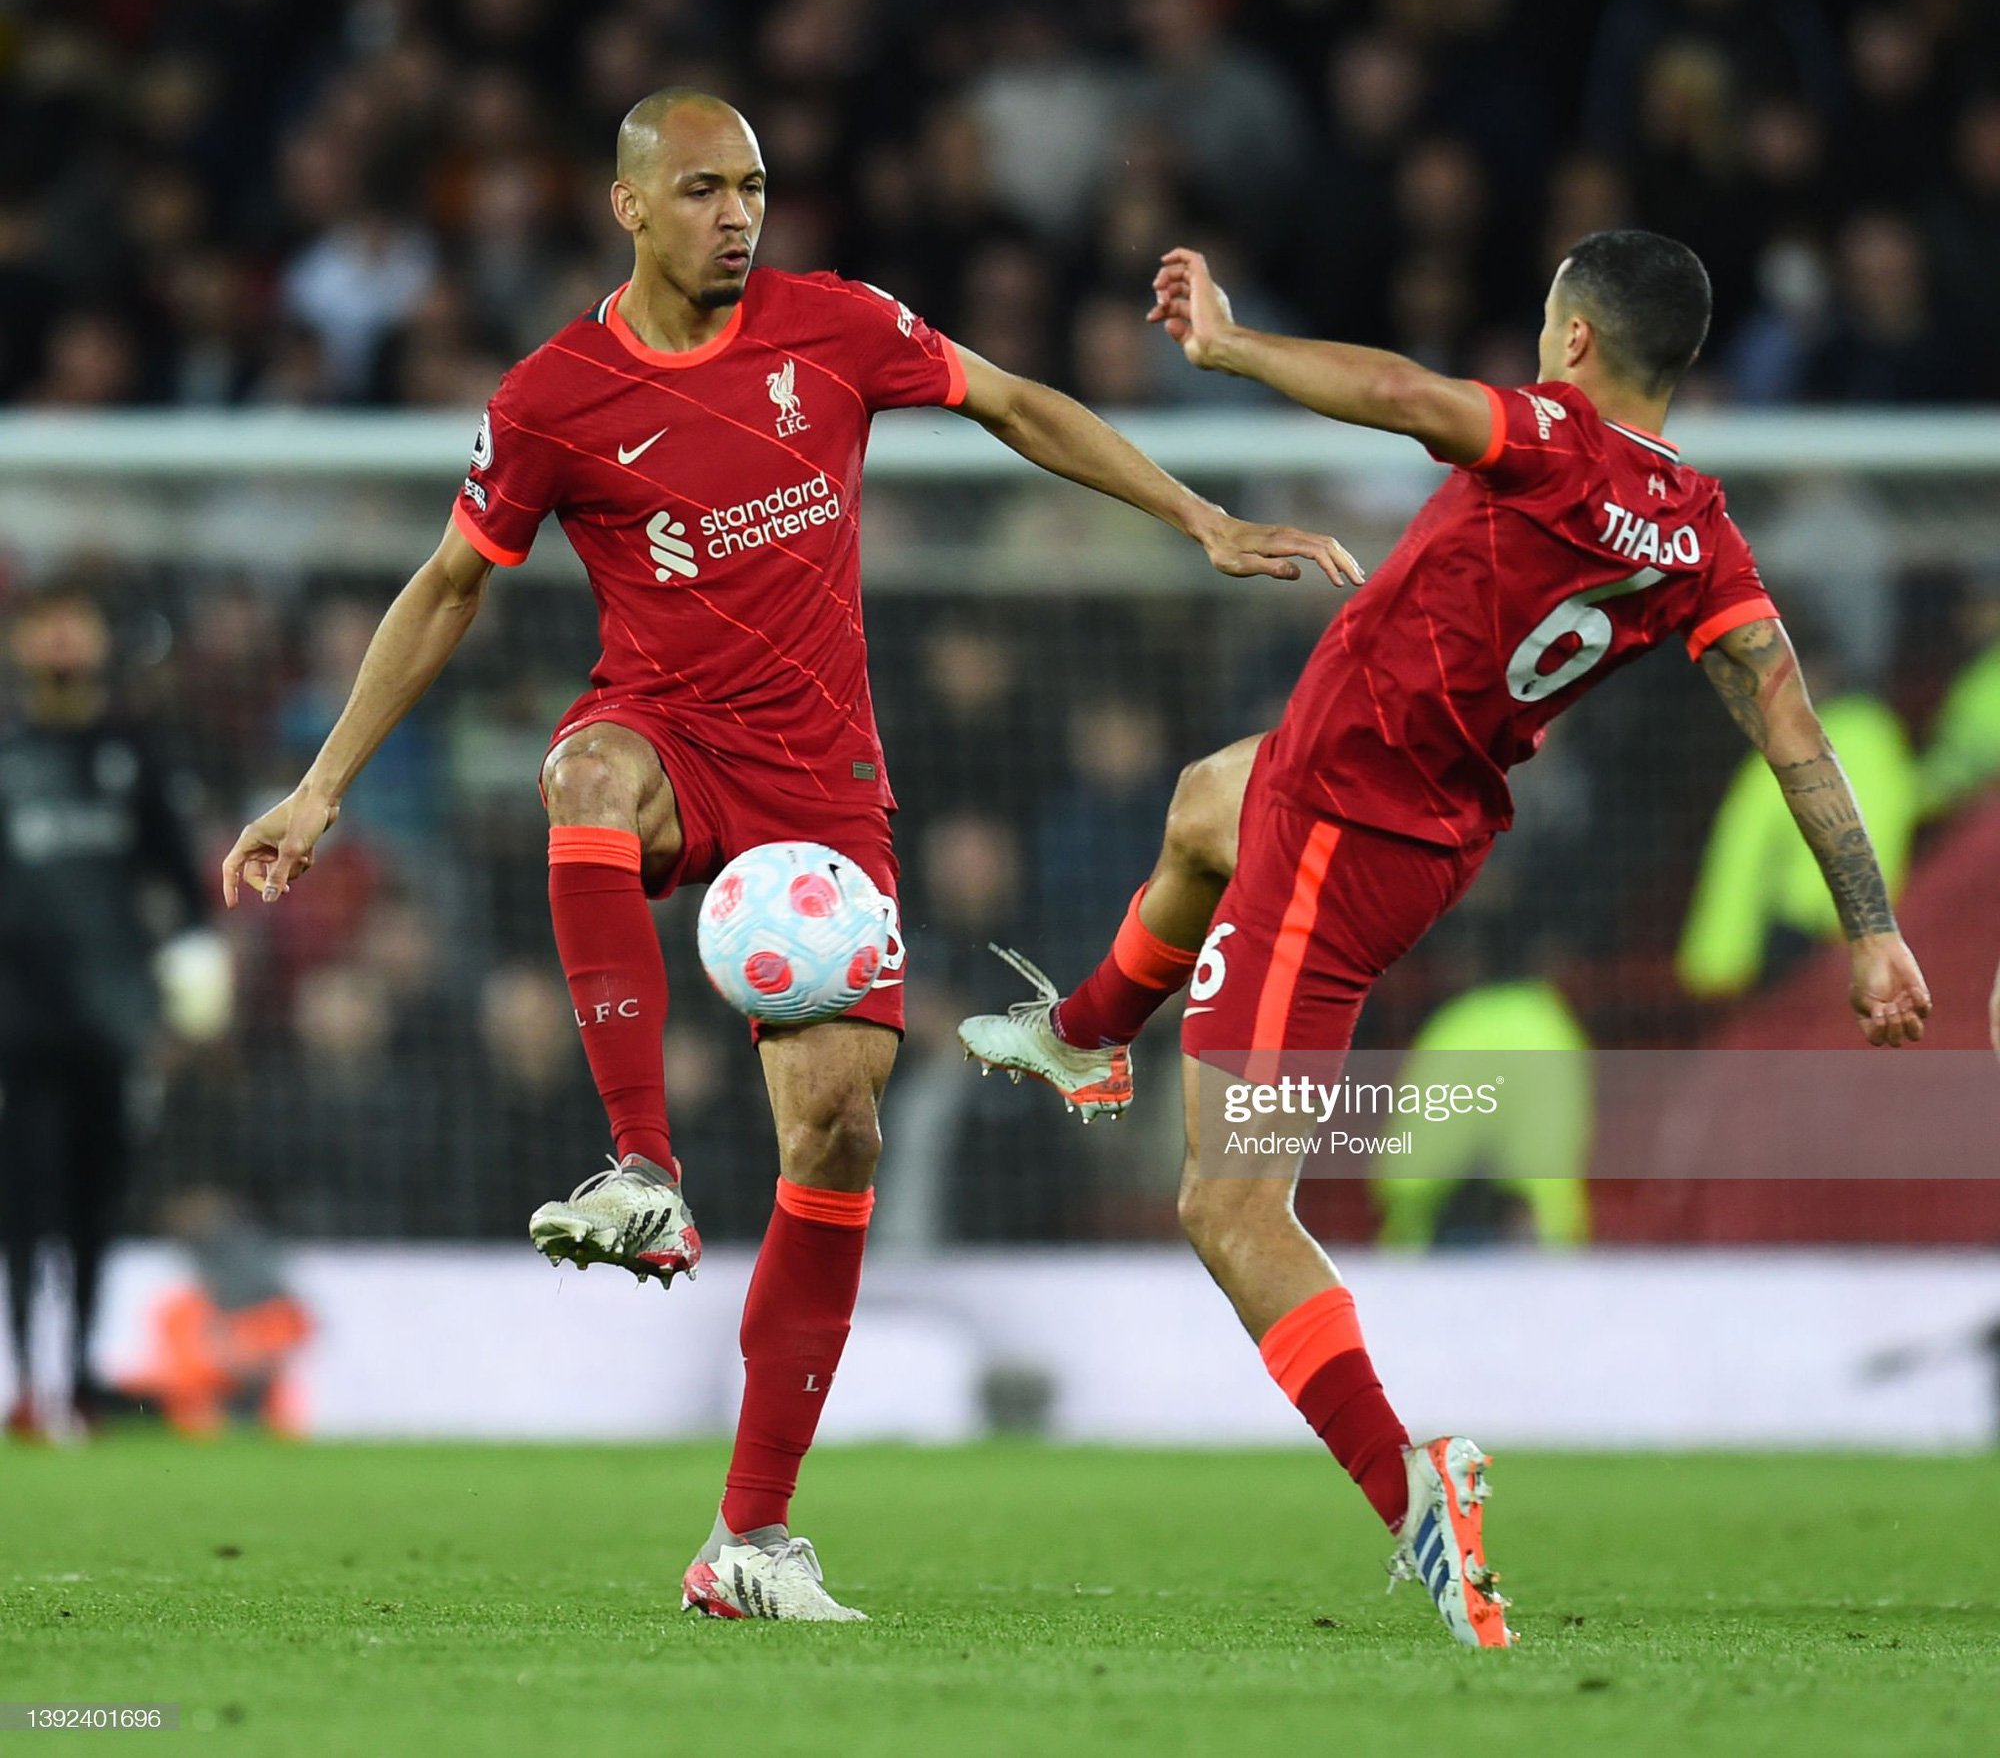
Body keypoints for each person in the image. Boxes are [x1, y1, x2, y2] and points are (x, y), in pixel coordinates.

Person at [220, 89, 1354, 1621]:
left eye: (753, 185)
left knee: (837, 1129)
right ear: (627, 204)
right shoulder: (554, 395)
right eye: (702, 189)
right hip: (672, 738)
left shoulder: (833, 328)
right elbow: (444, 589)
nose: (737, 214)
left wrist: (1199, 515)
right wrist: (320, 787)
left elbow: (1018, 402)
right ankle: (641, 1166)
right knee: (586, 771)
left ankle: (748, 1538)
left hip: (824, 792)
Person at [960, 230, 1932, 1648]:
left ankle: (1411, 1485)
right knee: (1196, 807)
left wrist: (1228, 350)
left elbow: (1410, 395)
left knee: (1226, 1211)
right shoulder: (1701, 533)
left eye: (1547, 322)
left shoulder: (1551, 439)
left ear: (1579, 340)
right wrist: (1878, 930)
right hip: (1414, 810)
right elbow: (1793, 733)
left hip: (1339, 827)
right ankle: (1088, 1035)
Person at [1, 582, 211, 1438]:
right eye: (44, 626)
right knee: (22, 1199)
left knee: (94, 1202)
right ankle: (24, 1381)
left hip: (112, 1020)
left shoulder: (137, 754)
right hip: (14, 1023)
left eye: (73, 623)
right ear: (22, 646)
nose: (59, 642)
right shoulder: (5, 752)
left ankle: (80, 1377)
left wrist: (198, 960)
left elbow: (182, 879)